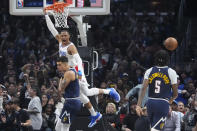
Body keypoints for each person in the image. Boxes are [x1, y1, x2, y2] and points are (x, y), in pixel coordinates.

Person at [45, 14, 120, 127]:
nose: (63, 37)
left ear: (69, 36)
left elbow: (79, 60)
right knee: (79, 94)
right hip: (69, 72)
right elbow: (52, 29)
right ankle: (95, 114)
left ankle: (109, 91)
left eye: (65, 35)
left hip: (75, 71)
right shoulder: (60, 41)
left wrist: (80, 73)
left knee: (87, 92)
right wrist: (46, 15)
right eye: (62, 35)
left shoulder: (71, 47)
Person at [136, 50, 178, 131]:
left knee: (152, 128)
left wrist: (138, 105)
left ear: (155, 59)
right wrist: (171, 100)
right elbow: (175, 94)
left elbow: (143, 88)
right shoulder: (171, 72)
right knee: (156, 129)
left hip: (150, 102)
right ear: (167, 59)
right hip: (162, 103)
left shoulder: (149, 70)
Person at [55, 56, 81, 131]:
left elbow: (60, 89)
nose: (58, 67)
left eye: (59, 65)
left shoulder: (69, 73)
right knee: (58, 127)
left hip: (72, 102)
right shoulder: (70, 71)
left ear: (65, 64)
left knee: (65, 127)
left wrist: (60, 80)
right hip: (70, 101)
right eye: (57, 65)